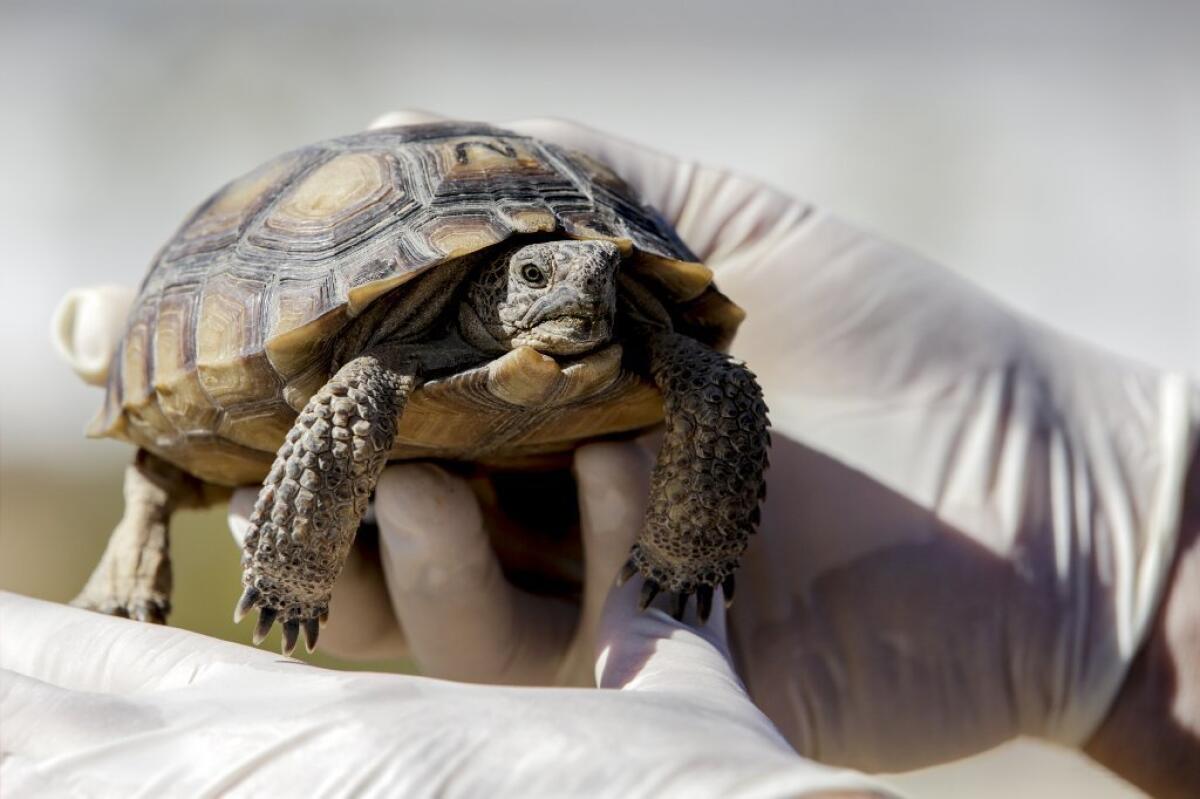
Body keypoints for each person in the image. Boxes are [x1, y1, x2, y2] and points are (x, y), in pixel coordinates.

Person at [16, 111, 1199, 797]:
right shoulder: (379, 357)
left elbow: (712, 380)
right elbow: (354, 381)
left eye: (589, 267)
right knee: (239, 431)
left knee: (696, 375)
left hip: (542, 453)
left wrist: (1113, 590)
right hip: (355, 373)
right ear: (491, 286)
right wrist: (292, 565)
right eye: (538, 274)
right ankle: (143, 524)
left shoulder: (623, 316)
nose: (577, 280)